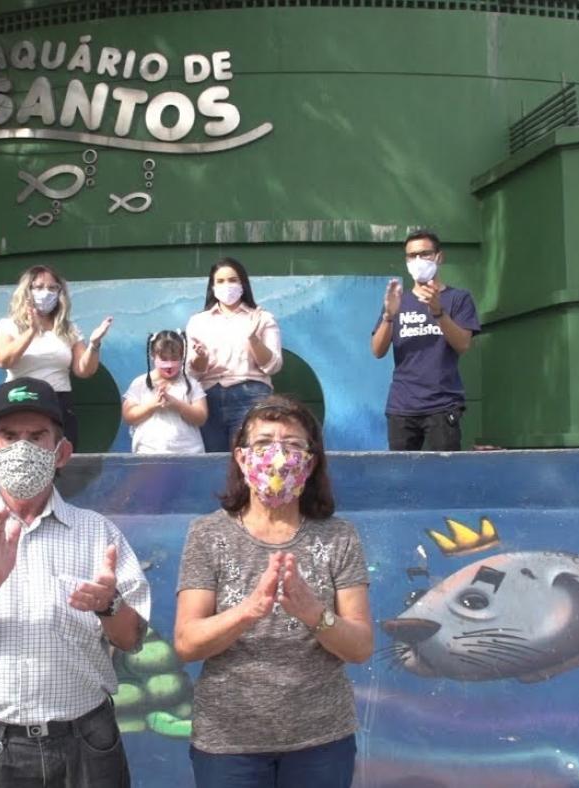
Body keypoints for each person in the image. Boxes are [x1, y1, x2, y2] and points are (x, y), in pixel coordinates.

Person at [0, 376, 150, 788]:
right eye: (9, 436)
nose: (22, 448)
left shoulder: (99, 534)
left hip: (88, 743)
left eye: (37, 436)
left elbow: (131, 639)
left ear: (62, 453)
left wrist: (108, 603)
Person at [173, 395, 373, 788]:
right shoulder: (208, 534)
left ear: (311, 462)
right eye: (263, 443)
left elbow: (361, 646)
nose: (278, 456)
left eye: (293, 444)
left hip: (322, 740)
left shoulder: (338, 537)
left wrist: (315, 614)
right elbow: (186, 642)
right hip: (228, 743)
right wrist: (250, 611)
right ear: (242, 458)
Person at [370, 229, 482, 451]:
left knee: (443, 477)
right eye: (412, 256)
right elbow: (377, 350)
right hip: (402, 406)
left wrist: (438, 312)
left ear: (439, 257)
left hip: (442, 405)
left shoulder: (458, 298)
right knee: (401, 478)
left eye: (425, 254)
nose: (418, 261)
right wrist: (389, 316)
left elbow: (463, 344)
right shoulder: (397, 300)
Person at [0, 266, 113, 447]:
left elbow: (84, 370)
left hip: (58, 401)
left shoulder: (68, 329)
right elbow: (3, 360)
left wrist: (94, 345)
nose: (46, 293)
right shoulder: (8, 325)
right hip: (20, 399)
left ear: (60, 292)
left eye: (52, 288)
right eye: (39, 287)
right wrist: (32, 331)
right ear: (27, 291)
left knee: (62, 460)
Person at [185, 258, 283, 452]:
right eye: (220, 281)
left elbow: (273, 366)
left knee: (250, 459)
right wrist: (200, 358)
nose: (226, 285)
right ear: (212, 286)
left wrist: (253, 339)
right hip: (207, 396)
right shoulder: (198, 321)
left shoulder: (262, 317)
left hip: (251, 394)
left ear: (243, 283)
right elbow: (191, 372)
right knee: (212, 463)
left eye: (232, 280)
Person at [121, 329, 208, 454]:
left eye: (174, 359)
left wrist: (176, 404)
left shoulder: (191, 384)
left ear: (182, 356)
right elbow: (128, 416)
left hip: (188, 452)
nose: (169, 364)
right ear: (153, 356)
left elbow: (201, 417)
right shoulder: (140, 383)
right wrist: (152, 405)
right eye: (163, 359)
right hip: (148, 451)